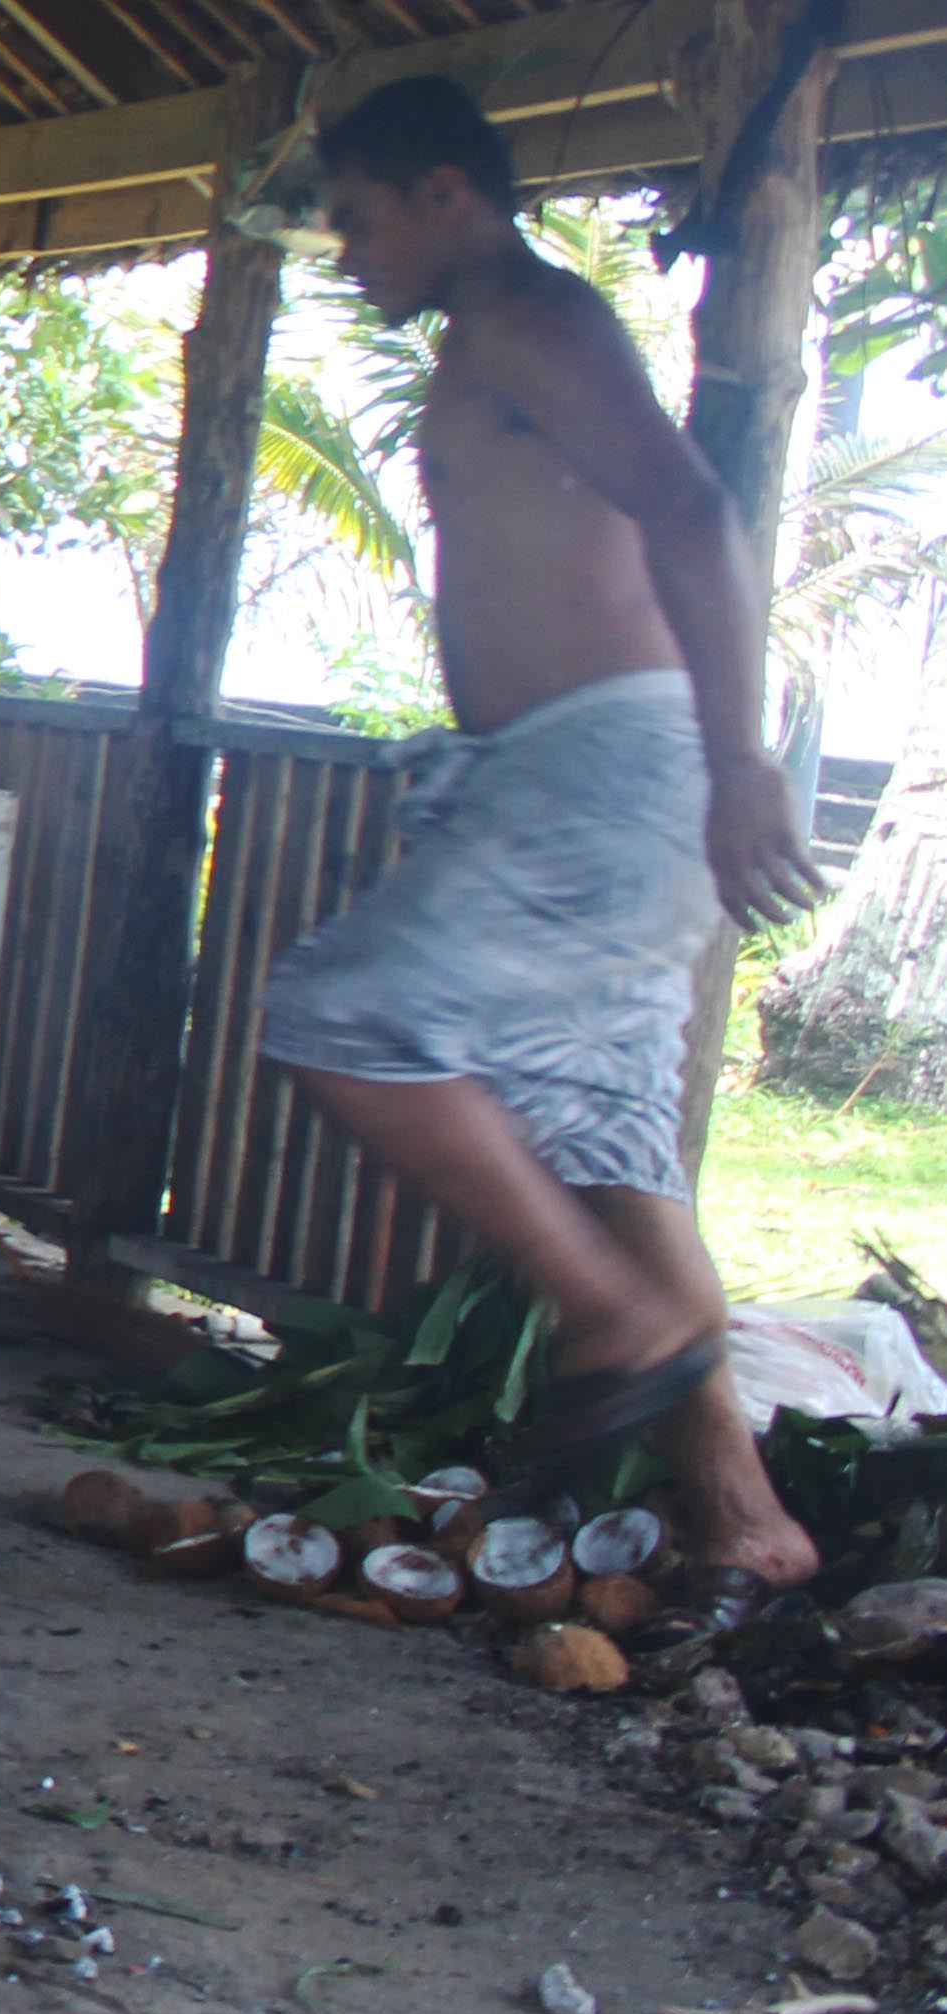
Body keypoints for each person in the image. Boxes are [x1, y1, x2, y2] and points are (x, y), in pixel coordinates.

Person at [252, 76, 823, 1635]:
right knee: (613, 1157)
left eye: (358, 218)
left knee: (340, 1014)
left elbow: (694, 513)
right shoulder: (487, 337)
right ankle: (744, 1522)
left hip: (609, 764)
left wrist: (737, 760)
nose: (346, 252)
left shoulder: (531, 320)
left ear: (447, 193)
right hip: (570, 768)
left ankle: (608, 1310)